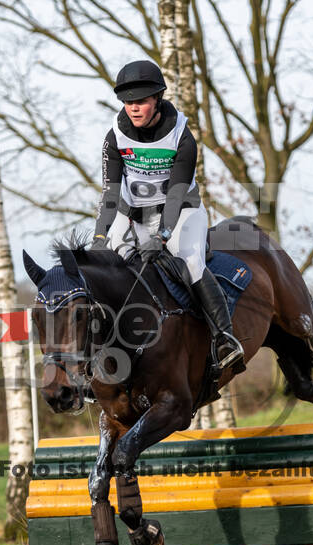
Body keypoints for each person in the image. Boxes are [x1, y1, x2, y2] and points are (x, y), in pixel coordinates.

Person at [92, 60, 244, 370]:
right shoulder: (114, 138)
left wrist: (162, 236)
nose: (134, 108)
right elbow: (110, 193)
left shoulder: (181, 136)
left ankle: (224, 338)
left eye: (141, 102)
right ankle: (100, 352)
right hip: (132, 214)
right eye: (128, 102)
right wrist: (99, 238)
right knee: (106, 268)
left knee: (188, 260)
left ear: (157, 99)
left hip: (181, 211)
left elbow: (176, 192)